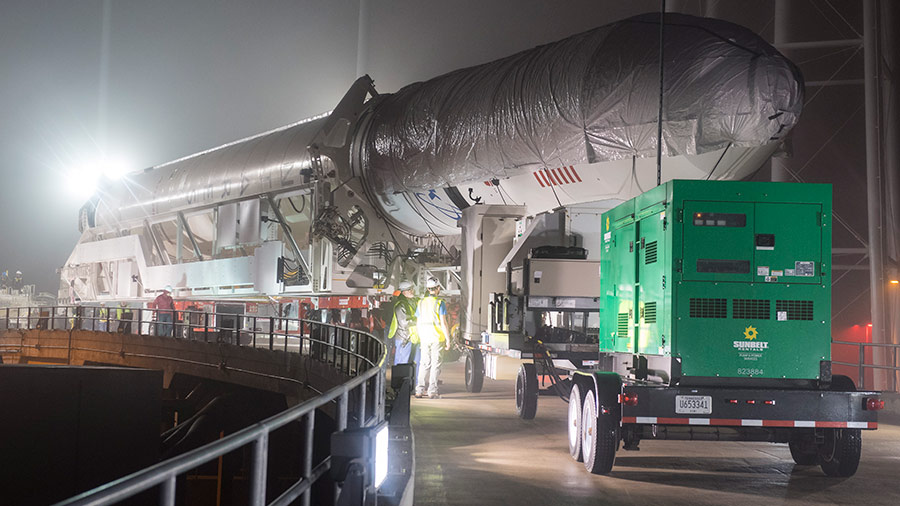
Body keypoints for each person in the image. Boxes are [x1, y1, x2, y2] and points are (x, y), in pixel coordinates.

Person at [415, 277, 451, 398]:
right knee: (435, 364)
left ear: (428, 289)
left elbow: (418, 321)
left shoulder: (420, 303)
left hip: (424, 337)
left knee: (424, 364)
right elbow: (444, 323)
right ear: (438, 288)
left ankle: (419, 390)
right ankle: (432, 391)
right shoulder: (440, 303)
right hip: (437, 338)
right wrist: (448, 339)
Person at [391, 281, 419, 367]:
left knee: (414, 363)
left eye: (412, 289)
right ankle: (400, 381)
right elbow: (404, 322)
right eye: (410, 290)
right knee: (402, 363)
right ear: (404, 292)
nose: (412, 291)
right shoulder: (400, 305)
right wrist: (419, 321)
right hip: (404, 338)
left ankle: (413, 381)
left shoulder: (412, 302)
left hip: (413, 337)